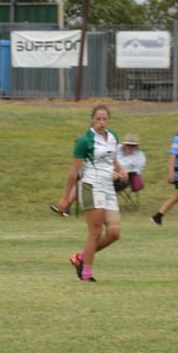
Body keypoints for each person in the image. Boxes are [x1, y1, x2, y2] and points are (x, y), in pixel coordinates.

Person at [54, 105, 126, 283]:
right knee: (95, 232)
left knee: (114, 233)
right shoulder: (84, 141)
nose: (101, 122)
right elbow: (73, 172)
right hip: (92, 187)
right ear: (92, 120)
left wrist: (121, 170)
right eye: (98, 119)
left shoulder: (113, 137)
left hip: (108, 188)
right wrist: (65, 198)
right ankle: (86, 275)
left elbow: (111, 158)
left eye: (104, 119)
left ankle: (80, 257)